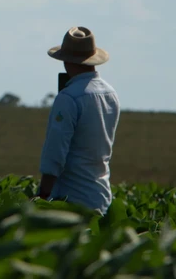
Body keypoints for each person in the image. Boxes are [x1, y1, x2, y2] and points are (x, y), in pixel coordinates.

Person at [36, 26, 121, 215]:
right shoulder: (111, 93)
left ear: (66, 60)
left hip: (71, 200)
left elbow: (55, 152)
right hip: (101, 196)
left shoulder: (68, 97)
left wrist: (42, 195)